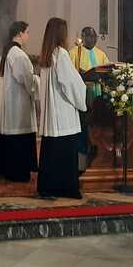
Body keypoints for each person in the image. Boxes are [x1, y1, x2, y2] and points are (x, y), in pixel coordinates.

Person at [37, 17, 88, 200]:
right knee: (65, 153)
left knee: (51, 152)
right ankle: (67, 188)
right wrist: (81, 89)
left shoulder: (47, 55)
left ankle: (47, 187)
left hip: (52, 114)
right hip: (63, 114)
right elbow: (70, 84)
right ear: (61, 34)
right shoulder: (61, 54)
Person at [0, 21, 39, 182]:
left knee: (10, 136)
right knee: (19, 135)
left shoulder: (7, 52)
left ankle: (6, 169)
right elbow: (27, 80)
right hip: (18, 105)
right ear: (20, 33)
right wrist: (38, 81)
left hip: (10, 104)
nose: (28, 35)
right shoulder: (19, 55)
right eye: (27, 32)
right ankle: (17, 172)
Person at [69, 27, 110, 170]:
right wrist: (82, 75)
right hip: (82, 96)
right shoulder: (74, 53)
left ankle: (96, 154)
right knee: (82, 126)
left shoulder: (101, 54)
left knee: (96, 126)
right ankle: (81, 157)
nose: (92, 39)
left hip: (98, 96)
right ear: (83, 36)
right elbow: (70, 75)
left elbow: (107, 71)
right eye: (89, 36)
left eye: (94, 37)